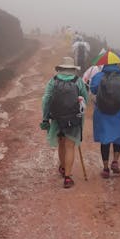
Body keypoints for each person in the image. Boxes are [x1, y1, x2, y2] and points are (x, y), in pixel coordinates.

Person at [41, 56, 88, 188]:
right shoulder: (78, 81)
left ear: (61, 68)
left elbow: (46, 100)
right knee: (70, 146)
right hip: (73, 119)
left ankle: (62, 168)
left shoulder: (53, 81)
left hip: (57, 118)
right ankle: (67, 178)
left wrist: (45, 118)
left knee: (61, 144)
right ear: (73, 69)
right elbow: (85, 99)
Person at [90, 62, 120, 177]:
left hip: (102, 112)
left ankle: (105, 169)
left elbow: (93, 90)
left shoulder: (99, 76)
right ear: (117, 64)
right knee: (118, 136)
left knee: (105, 139)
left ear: (105, 65)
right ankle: (115, 161)